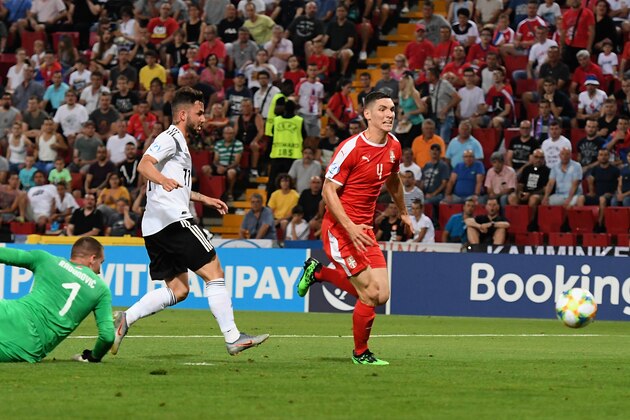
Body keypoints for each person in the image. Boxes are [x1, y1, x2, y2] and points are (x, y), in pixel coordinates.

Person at [111, 87, 268, 356]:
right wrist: (162, 180)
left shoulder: (179, 144)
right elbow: (144, 165)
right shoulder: (171, 137)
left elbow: (175, 184)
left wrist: (204, 198)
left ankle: (126, 318)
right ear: (183, 114)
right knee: (214, 272)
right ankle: (232, 337)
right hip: (173, 221)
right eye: (200, 112)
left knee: (179, 289)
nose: (204, 118)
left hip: (155, 227)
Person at [296, 91, 412, 365]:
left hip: (364, 230)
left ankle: (319, 273)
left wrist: (405, 213)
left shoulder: (394, 145)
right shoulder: (351, 148)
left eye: (392, 109)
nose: (389, 114)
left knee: (382, 294)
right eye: (382, 109)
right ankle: (361, 353)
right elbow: (328, 191)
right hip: (340, 230)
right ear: (367, 114)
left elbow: (393, 180)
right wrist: (349, 227)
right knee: (370, 293)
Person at [0, 237, 112, 363]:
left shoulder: (45, 259)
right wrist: (94, 356)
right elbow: (107, 336)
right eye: (101, 263)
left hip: (8, 313)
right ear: (92, 259)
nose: (99, 271)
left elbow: (5, 254)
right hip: (27, 346)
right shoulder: (101, 290)